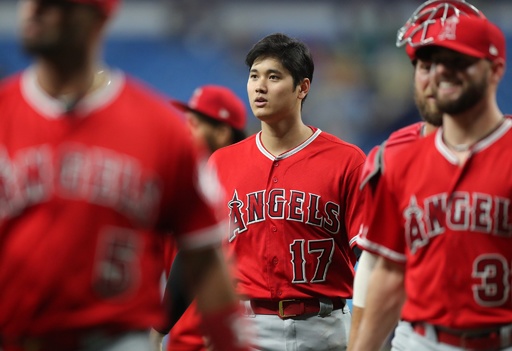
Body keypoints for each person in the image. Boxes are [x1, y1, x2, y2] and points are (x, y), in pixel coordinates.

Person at [0, 1, 250, 351]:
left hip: (117, 339)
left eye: (56, 4)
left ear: (97, 19)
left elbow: (205, 262)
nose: (34, 10)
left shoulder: (160, 130)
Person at [353, 13, 512, 351]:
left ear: (495, 70)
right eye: (429, 62)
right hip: (419, 340)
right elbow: (389, 273)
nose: (440, 71)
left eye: (457, 60)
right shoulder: (400, 160)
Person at [208, 32, 366, 351]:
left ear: (302, 88)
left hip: (326, 327)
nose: (259, 86)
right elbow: (206, 259)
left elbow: (371, 258)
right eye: (254, 76)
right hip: (247, 327)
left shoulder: (347, 160)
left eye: (273, 76)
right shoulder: (222, 163)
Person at [152, 85, 248, 351]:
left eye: (194, 123)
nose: (185, 130)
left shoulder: (241, 196)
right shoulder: (178, 188)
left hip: (221, 334)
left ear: (221, 132)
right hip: (179, 336)